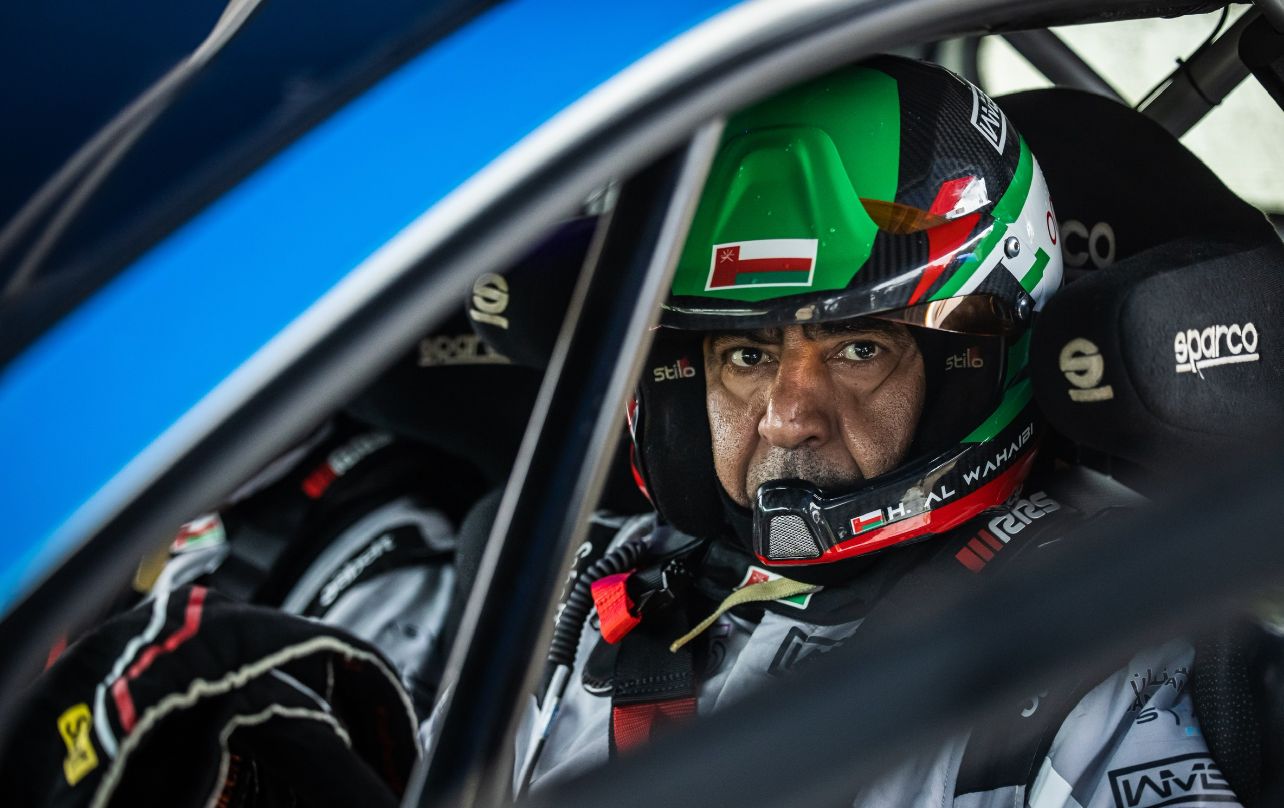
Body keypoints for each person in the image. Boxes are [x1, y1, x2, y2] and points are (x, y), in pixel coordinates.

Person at [512, 55, 1245, 807]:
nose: (787, 419)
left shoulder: (1094, 649)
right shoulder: (578, 590)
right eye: (746, 356)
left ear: (972, 365)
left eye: (858, 350)